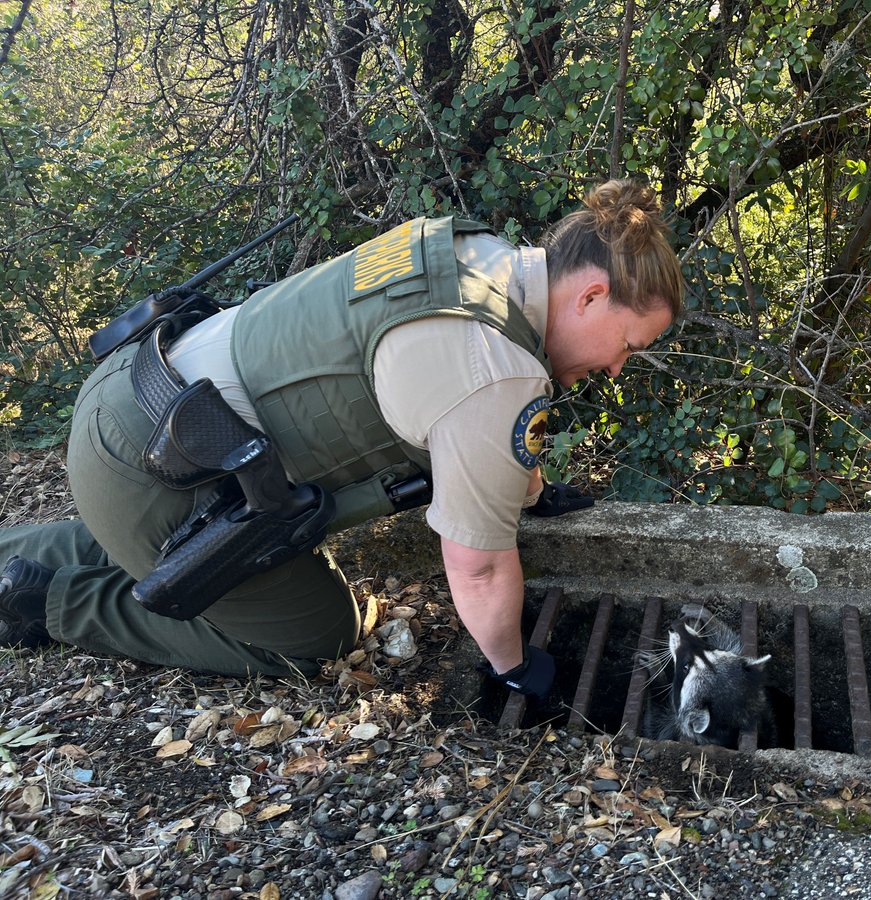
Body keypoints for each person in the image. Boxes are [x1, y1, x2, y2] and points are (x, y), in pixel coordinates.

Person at [0, 179, 683, 701]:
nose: (618, 368)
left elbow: (475, 426)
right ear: (592, 296)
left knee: (157, 541)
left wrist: (531, 490)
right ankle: (52, 605)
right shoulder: (493, 370)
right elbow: (475, 566)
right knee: (317, 635)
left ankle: (15, 552)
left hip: (126, 394)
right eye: (628, 344)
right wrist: (515, 669)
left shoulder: (470, 251)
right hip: (155, 472)